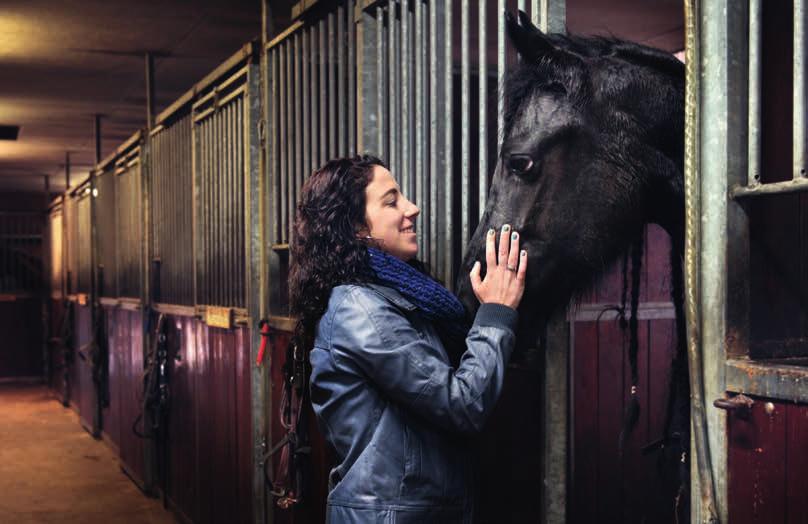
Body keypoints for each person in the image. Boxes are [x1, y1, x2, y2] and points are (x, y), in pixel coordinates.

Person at [289, 155, 527, 523]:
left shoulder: (392, 295)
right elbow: (462, 403)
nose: (412, 208)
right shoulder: (361, 309)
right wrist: (496, 313)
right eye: (391, 201)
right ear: (355, 227)